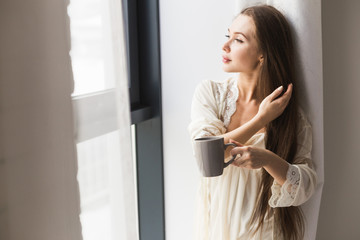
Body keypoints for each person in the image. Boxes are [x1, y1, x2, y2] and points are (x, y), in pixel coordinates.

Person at [188, 4, 317, 240]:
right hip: (217, 226)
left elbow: (304, 186)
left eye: (238, 40)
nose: (225, 46)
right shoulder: (210, 94)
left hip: (266, 231)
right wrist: (262, 119)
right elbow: (206, 155)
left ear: (262, 54)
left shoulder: (291, 117)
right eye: (228, 36)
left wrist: (266, 158)